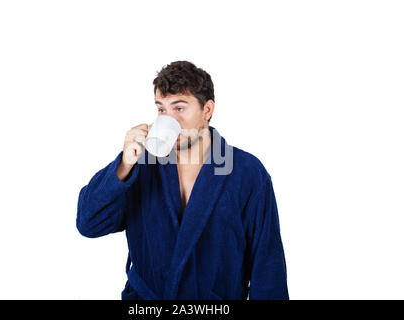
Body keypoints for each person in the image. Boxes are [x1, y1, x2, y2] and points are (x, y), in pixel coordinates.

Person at [76, 60, 289, 300]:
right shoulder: (141, 165)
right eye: (162, 110)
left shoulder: (247, 173)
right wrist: (124, 165)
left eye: (179, 108)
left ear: (207, 110)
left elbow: (267, 265)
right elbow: (88, 223)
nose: (170, 119)